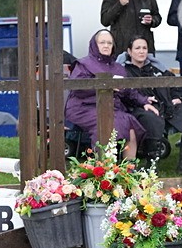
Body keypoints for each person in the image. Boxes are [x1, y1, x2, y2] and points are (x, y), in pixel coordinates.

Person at [64, 29, 155, 160]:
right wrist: (106, 86)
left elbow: (128, 91)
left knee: (131, 126)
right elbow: (78, 89)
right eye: (102, 42)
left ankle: (129, 168)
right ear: (95, 45)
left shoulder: (118, 68)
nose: (106, 46)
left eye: (109, 43)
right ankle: (104, 167)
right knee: (107, 124)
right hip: (83, 107)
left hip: (111, 108)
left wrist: (144, 101)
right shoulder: (83, 64)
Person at [123, 36, 182, 174]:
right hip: (140, 108)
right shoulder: (124, 70)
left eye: (144, 48)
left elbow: (174, 84)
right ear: (129, 51)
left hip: (167, 105)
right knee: (152, 120)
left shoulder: (157, 68)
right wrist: (143, 101)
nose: (141, 51)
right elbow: (126, 95)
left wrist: (177, 97)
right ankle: (151, 165)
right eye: (137, 48)